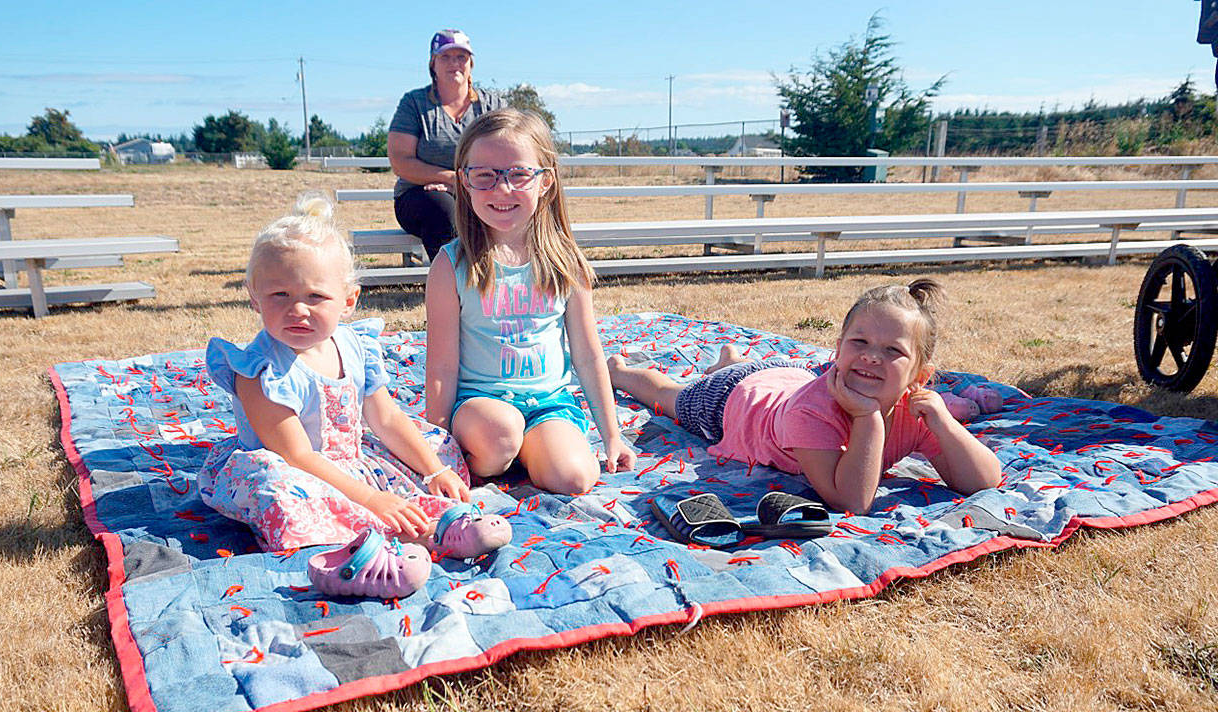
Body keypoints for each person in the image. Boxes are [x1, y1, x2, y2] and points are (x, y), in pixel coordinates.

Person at [198, 191, 510, 599]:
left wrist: (435, 471)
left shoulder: (355, 346)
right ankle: (358, 555)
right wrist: (372, 499)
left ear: (348, 300)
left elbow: (387, 419)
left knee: (430, 446)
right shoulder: (260, 370)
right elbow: (297, 455)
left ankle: (438, 526)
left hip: (353, 462)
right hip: (299, 471)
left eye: (315, 297)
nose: (298, 310)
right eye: (280, 296)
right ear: (254, 296)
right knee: (280, 491)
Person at [606, 279, 1002, 515]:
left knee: (734, 370)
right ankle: (621, 371)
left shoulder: (915, 411)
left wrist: (944, 423)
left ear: (920, 376)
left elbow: (985, 480)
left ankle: (731, 357)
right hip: (735, 400)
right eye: (859, 342)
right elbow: (851, 500)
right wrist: (866, 418)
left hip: (784, 378)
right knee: (671, 397)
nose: (870, 356)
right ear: (837, 349)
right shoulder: (813, 412)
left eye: (892, 351)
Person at [424, 109, 637, 494]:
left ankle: (525, 452)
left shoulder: (565, 260)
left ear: (546, 182)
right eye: (485, 175)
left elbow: (588, 354)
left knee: (574, 478)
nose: (502, 190)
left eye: (518, 174)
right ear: (464, 182)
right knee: (501, 432)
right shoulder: (449, 265)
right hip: (479, 406)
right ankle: (497, 454)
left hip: (548, 404)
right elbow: (441, 364)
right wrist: (436, 449)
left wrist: (612, 435)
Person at [387, 28, 506, 262]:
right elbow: (400, 161)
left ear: (471, 63)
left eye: (461, 57)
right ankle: (453, 284)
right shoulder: (414, 103)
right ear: (433, 64)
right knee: (442, 208)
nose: (455, 63)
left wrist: (465, 185)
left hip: (479, 189)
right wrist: (450, 179)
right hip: (421, 195)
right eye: (445, 57)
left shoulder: (492, 105)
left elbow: (507, 153)